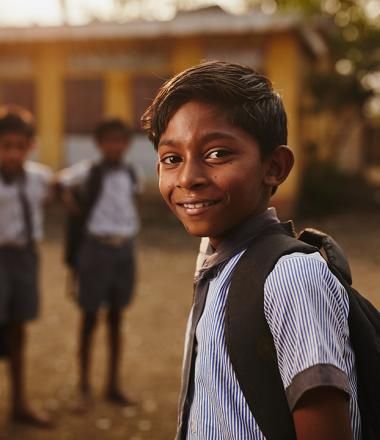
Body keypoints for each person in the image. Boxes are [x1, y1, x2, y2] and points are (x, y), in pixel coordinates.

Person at [142, 61, 361, 440]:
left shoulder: (292, 277)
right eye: (171, 159)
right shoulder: (215, 261)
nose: (188, 177)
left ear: (274, 166)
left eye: (217, 154)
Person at [58, 117, 141, 410]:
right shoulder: (88, 172)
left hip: (124, 250)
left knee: (117, 317)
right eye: (109, 140)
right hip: (95, 249)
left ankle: (113, 384)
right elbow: (60, 182)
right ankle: (83, 386)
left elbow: (130, 203)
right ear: (99, 144)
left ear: (126, 144)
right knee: (89, 317)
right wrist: (74, 209)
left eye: (120, 140)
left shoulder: (131, 173)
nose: (114, 146)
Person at [0, 105, 54, 428]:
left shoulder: (39, 178)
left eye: (21, 147)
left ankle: (19, 402)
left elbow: (61, 188)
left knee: (19, 330)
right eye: (6, 146)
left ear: (30, 146)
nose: (13, 154)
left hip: (24, 259)